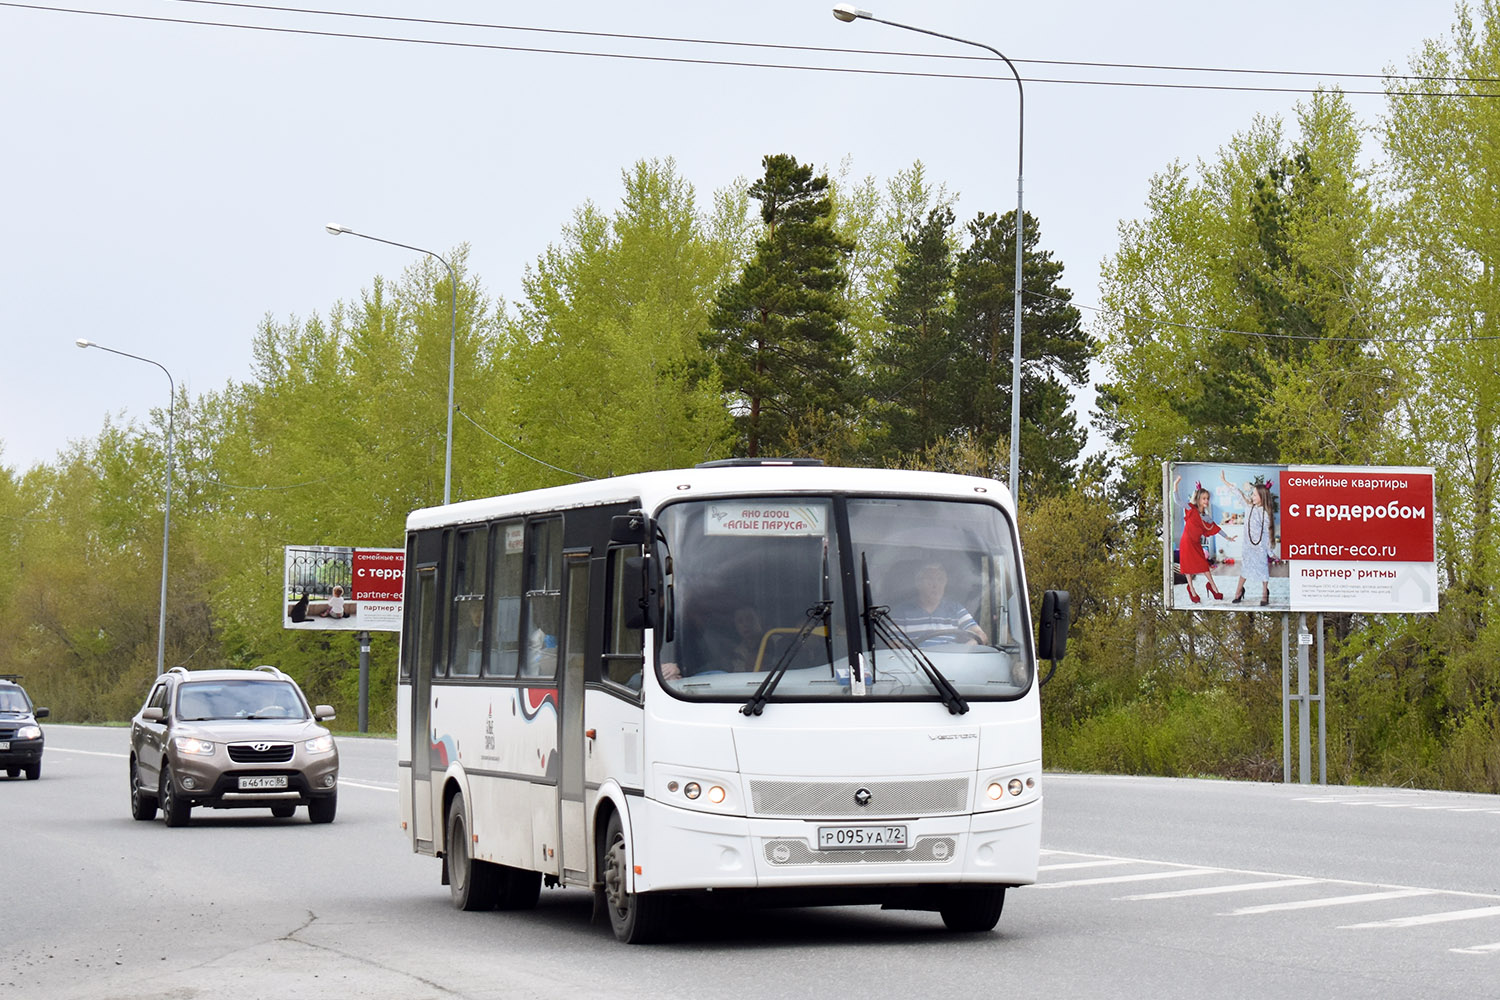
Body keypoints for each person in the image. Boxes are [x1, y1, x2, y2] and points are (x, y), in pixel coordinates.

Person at [890, 561, 987, 645]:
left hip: (952, 663)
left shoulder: (956, 609)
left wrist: (966, 650)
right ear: (918, 583)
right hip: (918, 664)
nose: (936, 585)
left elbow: (980, 635)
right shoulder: (900, 612)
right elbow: (895, 644)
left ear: (945, 583)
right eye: (929, 579)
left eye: (940, 579)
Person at [1173, 475, 1235, 603]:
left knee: (1204, 566)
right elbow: (1177, 500)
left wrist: (1227, 537)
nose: (1206, 501)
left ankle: (1213, 587)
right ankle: (1191, 588)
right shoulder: (1190, 508)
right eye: (1204, 498)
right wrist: (1176, 485)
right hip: (1186, 542)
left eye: (1208, 498)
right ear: (1199, 499)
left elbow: (1216, 528)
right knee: (1187, 568)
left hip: (1196, 544)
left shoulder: (1206, 517)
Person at [1220, 472, 1274, 606]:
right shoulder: (1248, 507)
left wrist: (1269, 551)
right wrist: (1225, 481)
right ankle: (1238, 591)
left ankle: (1264, 593)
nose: (1252, 496)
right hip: (1248, 546)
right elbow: (1238, 493)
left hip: (1260, 547)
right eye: (1252, 494)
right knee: (1245, 569)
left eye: (1255, 494)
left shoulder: (1265, 514)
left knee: (1262, 570)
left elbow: (1267, 533)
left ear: (1262, 497)